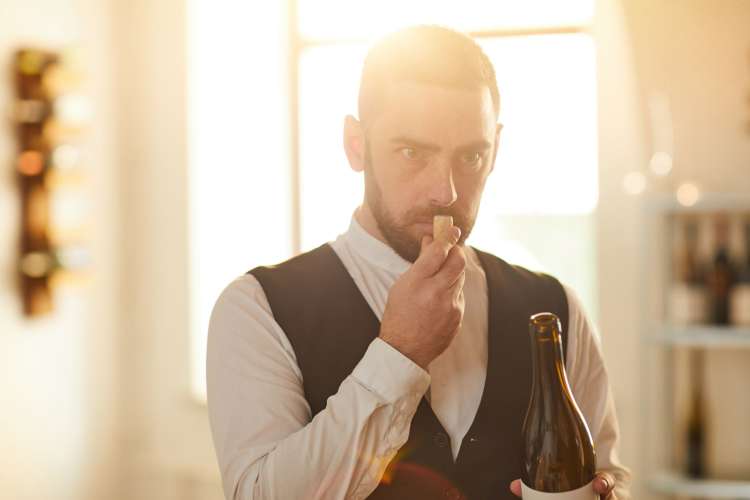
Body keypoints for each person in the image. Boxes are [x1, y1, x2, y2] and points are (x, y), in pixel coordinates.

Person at [207, 25, 631, 500]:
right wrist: (399, 354)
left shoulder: (558, 308)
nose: (445, 192)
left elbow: (608, 475)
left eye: (471, 156)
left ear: (496, 150)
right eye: (412, 152)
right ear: (355, 144)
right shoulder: (256, 309)